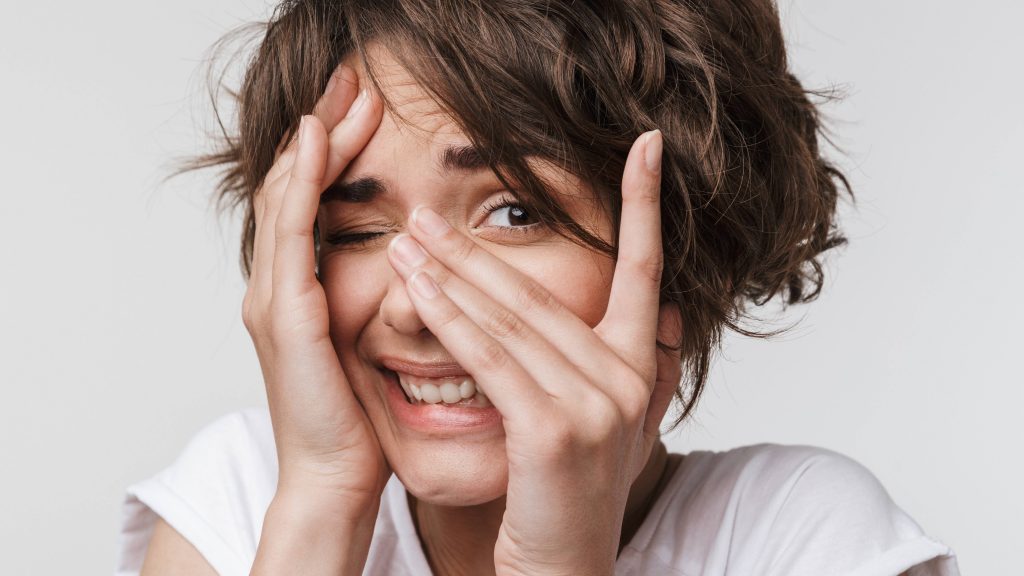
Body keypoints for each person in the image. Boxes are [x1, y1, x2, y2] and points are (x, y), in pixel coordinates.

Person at [117, 1, 960, 574]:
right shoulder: (240, 499)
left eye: (515, 213)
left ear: (678, 245)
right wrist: (321, 509)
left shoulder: (807, 539)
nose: (410, 304)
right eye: (358, 230)